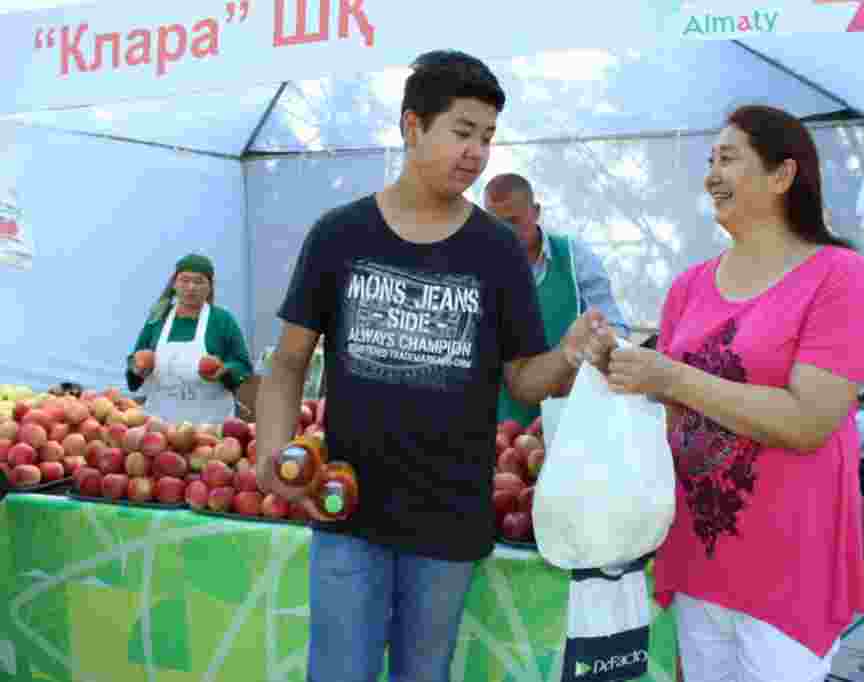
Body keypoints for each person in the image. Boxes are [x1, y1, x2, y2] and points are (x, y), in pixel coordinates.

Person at [254, 50, 601, 682]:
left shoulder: (495, 248)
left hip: (449, 518)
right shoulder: (340, 234)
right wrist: (270, 453)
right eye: (462, 131)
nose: (477, 152)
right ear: (412, 126)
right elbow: (286, 366)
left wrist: (571, 353)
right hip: (346, 508)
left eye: (488, 138)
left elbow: (523, 378)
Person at [583, 105, 864, 682]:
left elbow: (808, 421)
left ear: (781, 175)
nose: (710, 174)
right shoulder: (689, 286)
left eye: (728, 159)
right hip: (701, 555)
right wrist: (616, 366)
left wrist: (671, 376)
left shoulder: (839, 277)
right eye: (709, 160)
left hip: (788, 564)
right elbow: (674, 414)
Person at [483, 173, 629, 426]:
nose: (504, 233)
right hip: (494, 426)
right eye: (495, 223)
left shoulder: (575, 259)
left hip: (569, 422)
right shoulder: (474, 264)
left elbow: (615, 332)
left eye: (513, 222)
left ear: (536, 211)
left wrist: (590, 356)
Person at [126, 254, 253, 424]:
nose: (191, 287)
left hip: (211, 428)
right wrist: (138, 367)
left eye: (199, 281)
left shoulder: (222, 320)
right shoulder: (158, 318)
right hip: (159, 428)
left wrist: (224, 371)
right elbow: (134, 361)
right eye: (184, 280)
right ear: (174, 284)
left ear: (210, 287)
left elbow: (243, 365)